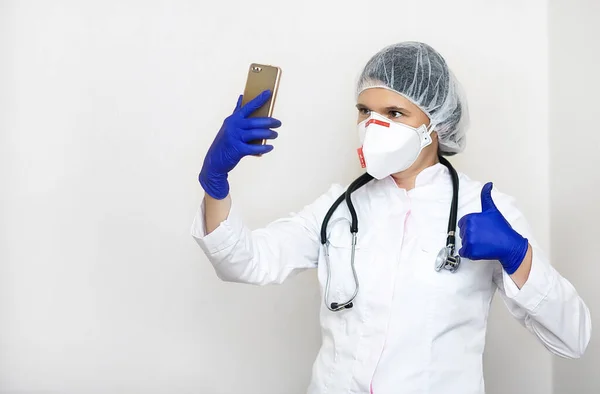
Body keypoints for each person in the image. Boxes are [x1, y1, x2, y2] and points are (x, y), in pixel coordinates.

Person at [191, 42, 591, 394]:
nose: (374, 125)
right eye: (365, 110)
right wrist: (215, 181)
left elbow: (573, 340)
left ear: (436, 124)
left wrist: (517, 256)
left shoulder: (482, 207)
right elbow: (244, 262)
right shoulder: (339, 207)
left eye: (395, 113)